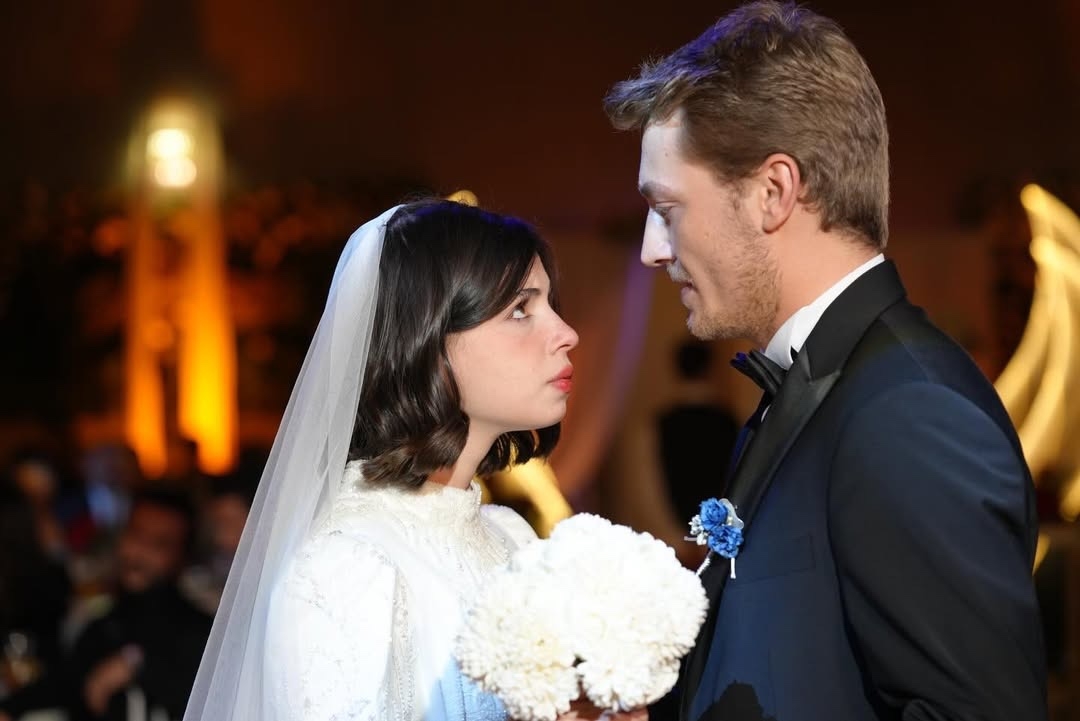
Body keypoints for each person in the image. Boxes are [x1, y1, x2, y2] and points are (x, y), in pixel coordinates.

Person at [604, 3, 1047, 721]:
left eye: (668, 208)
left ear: (773, 193)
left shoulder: (908, 413)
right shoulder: (817, 387)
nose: (654, 249)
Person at [184, 199, 640, 721]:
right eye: (521, 310)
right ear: (427, 340)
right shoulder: (344, 566)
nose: (566, 333)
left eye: (550, 305)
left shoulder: (511, 539)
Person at [67, 488, 212, 721]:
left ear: (181, 557)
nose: (139, 552)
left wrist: (137, 665)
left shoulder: (201, 632)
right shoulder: (100, 626)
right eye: (135, 535)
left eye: (159, 544)